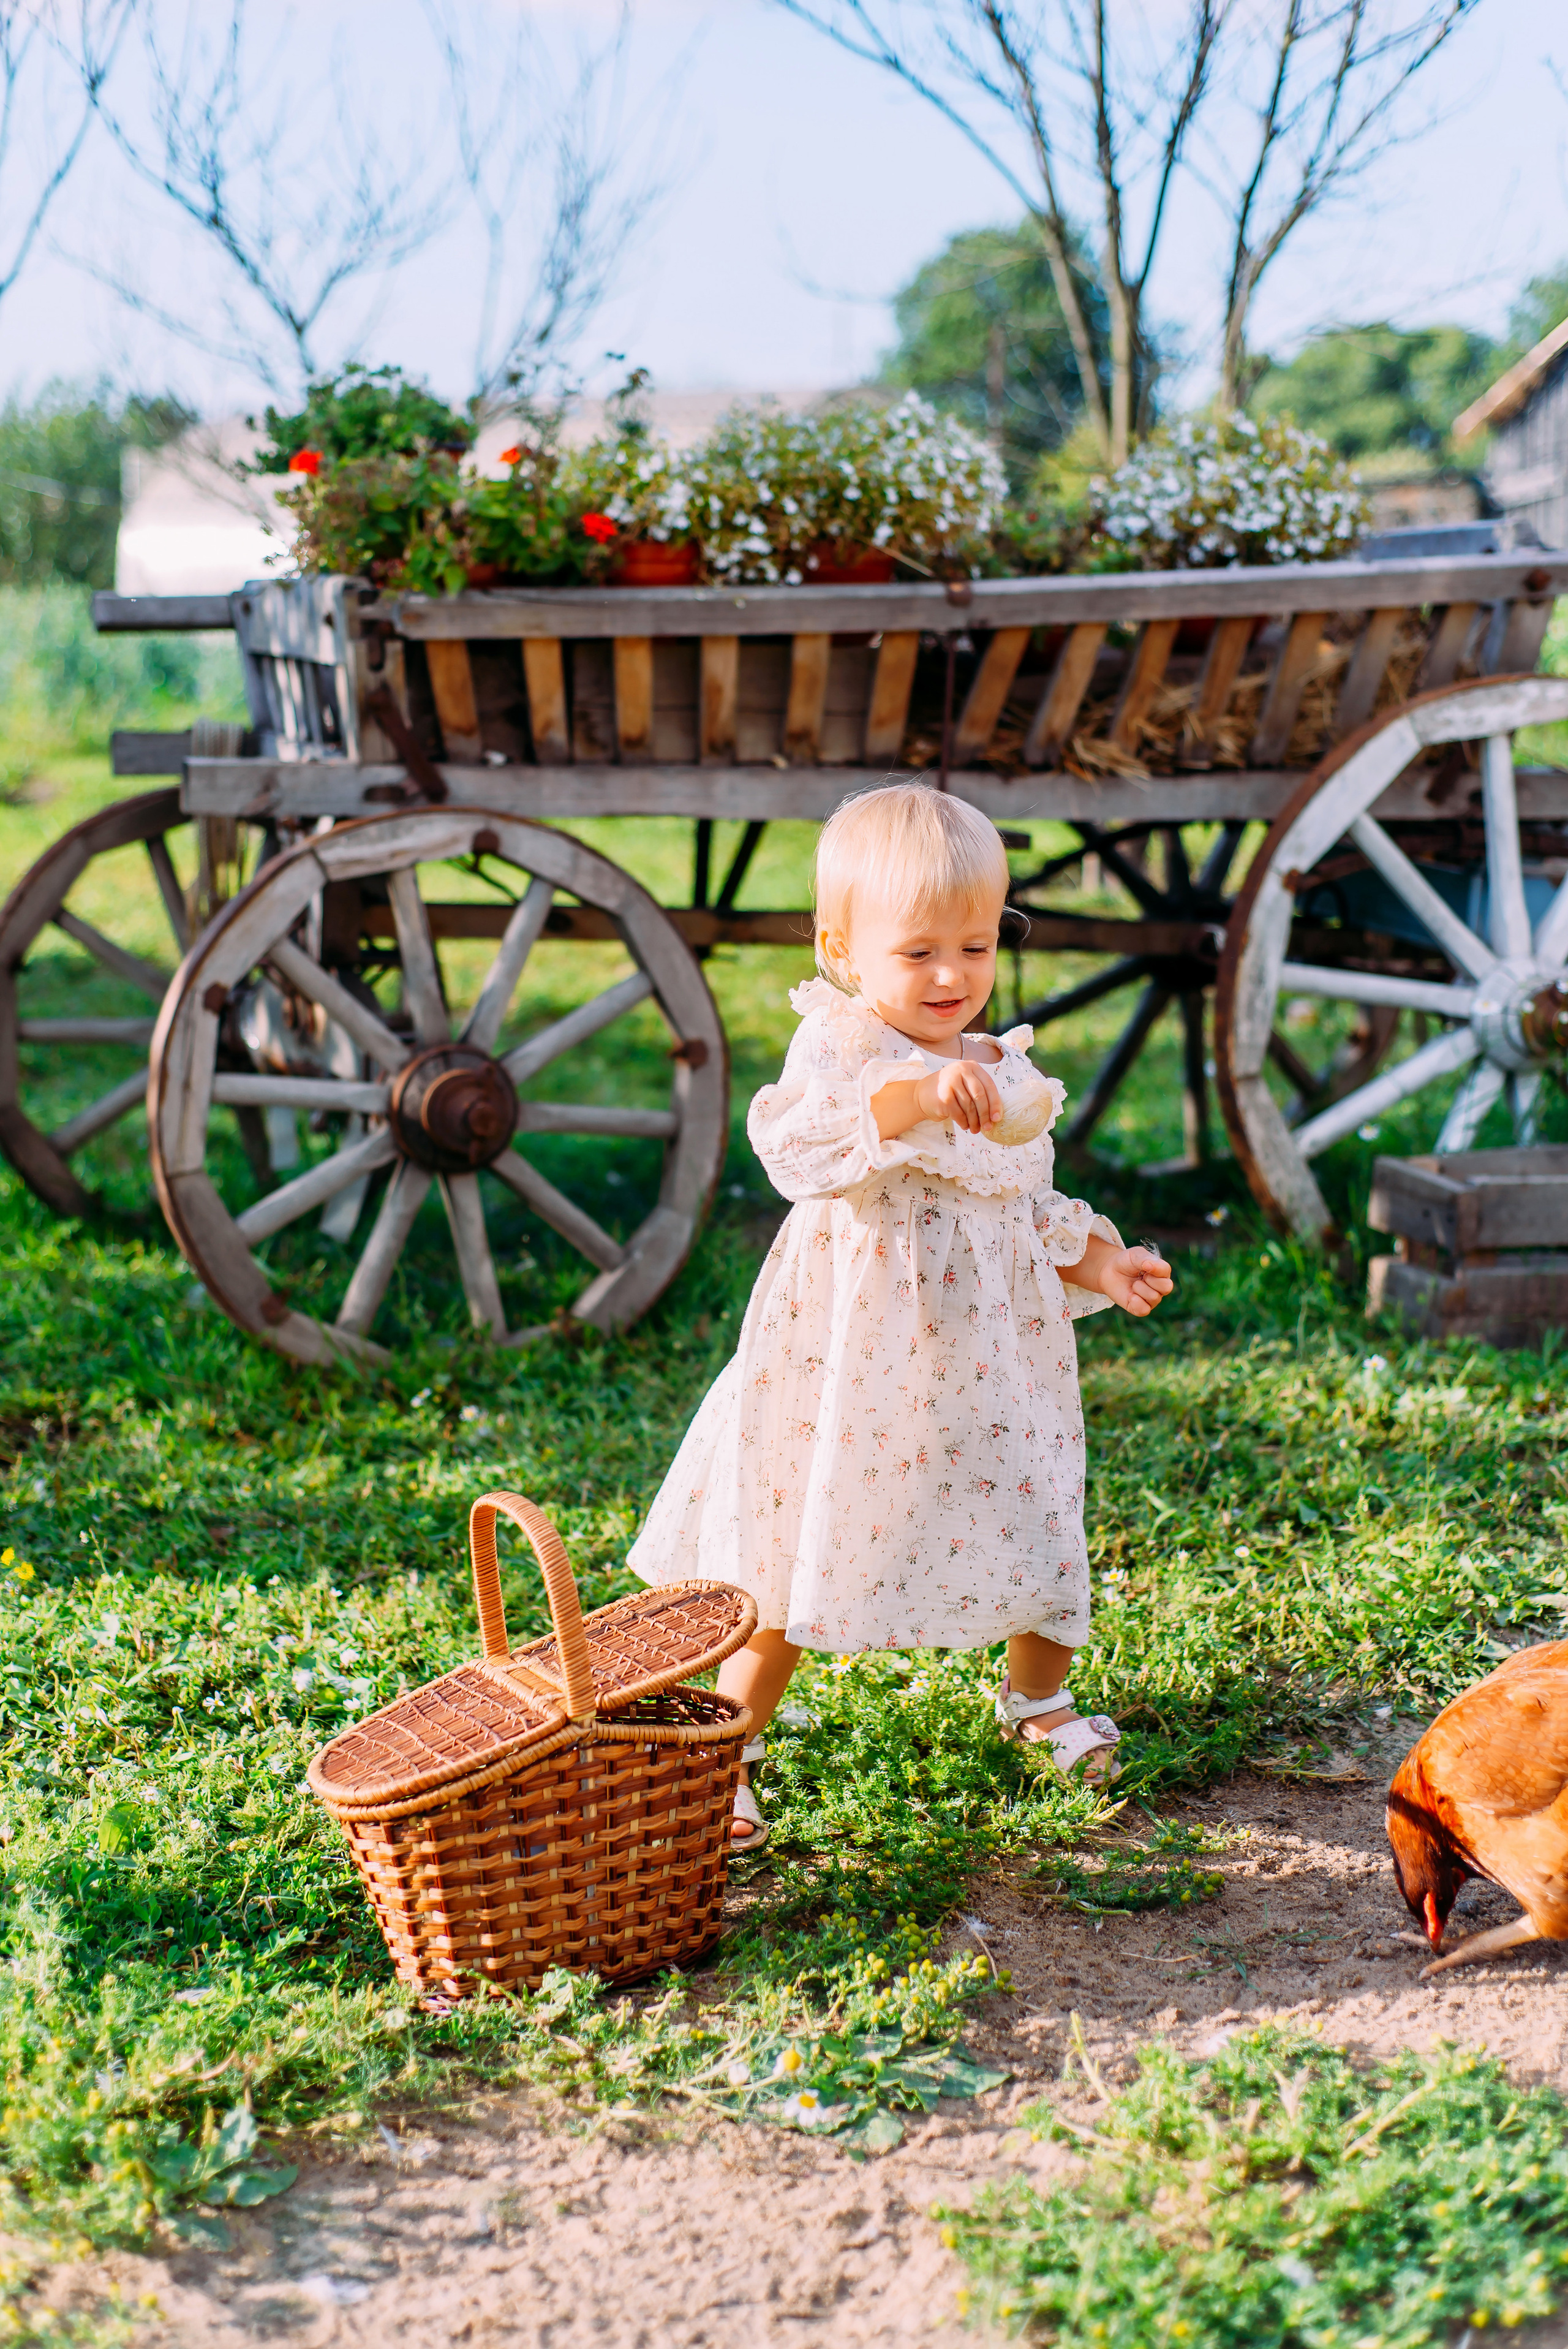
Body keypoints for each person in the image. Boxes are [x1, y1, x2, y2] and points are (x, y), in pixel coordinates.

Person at [628, 783, 1172, 1850]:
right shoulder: (840, 1050)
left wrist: (1103, 1262)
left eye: (975, 947)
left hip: (988, 1364)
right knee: (799, 1539)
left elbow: (1026, 1201)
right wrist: (912, 1098)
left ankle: (1038, 1701)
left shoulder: (1004, 1071)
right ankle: (728, 1742)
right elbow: (800, 1149)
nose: (951, 976)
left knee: (1038, 1516)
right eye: (919, 950)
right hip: (852, 1360)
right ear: (843, 950)